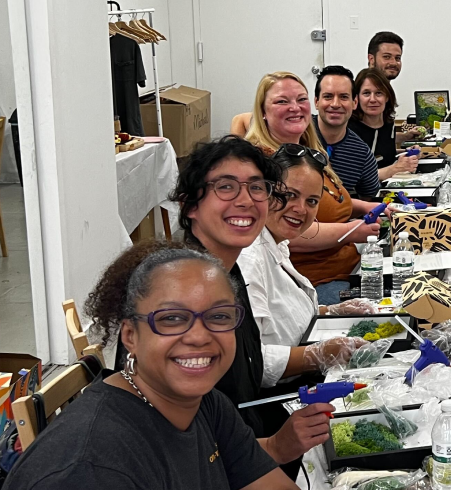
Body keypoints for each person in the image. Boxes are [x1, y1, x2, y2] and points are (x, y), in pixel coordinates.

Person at [3, 241, 298, 489]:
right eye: (172, 318)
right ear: (130, 336)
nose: (199, 336)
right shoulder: (91, 470)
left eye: (219, 316)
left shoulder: (205, 405)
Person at [169, 135, 363, 480]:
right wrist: (274, 447)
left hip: (251, 440)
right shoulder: (185, 297)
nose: (246, 200)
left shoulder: (229, 275)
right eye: (226, 187)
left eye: (257, 188)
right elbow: (183, 450)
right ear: (189, 205)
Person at [242, 71, 387, 297]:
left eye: (301, 99)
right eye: (282, 101)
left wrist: (366, 207)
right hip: (314, 283)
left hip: (349, 266)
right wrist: (351, 231)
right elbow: (288, 233)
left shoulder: (308, 153)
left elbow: (328, 200)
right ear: (262, 112)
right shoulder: (261, 164)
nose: (295, 108)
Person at [237, 144, 367, 389]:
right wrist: (316, 355)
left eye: (312, 201)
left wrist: (330, 311)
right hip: (279, 393)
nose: (300, 209)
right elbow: (251, 362)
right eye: (289, 195)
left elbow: (282, 317)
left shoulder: (276, 243)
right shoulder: (248, 259)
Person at [312, 65, 380, 199]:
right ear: (316, 102)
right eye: (328, 96)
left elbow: (368, 200)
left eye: (343, 97)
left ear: (355, 102)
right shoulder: (296, 134)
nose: (335, 104)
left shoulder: (362, 154)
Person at [348, 68, 421, 175]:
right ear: (356, 98)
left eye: (379, 93)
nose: (373, 99)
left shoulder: (388, 124)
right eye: (366, 93)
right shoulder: (349, 130)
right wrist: (394, 169)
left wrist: (409, 154)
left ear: (387, 97)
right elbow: (356, 176)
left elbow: (385, 155)